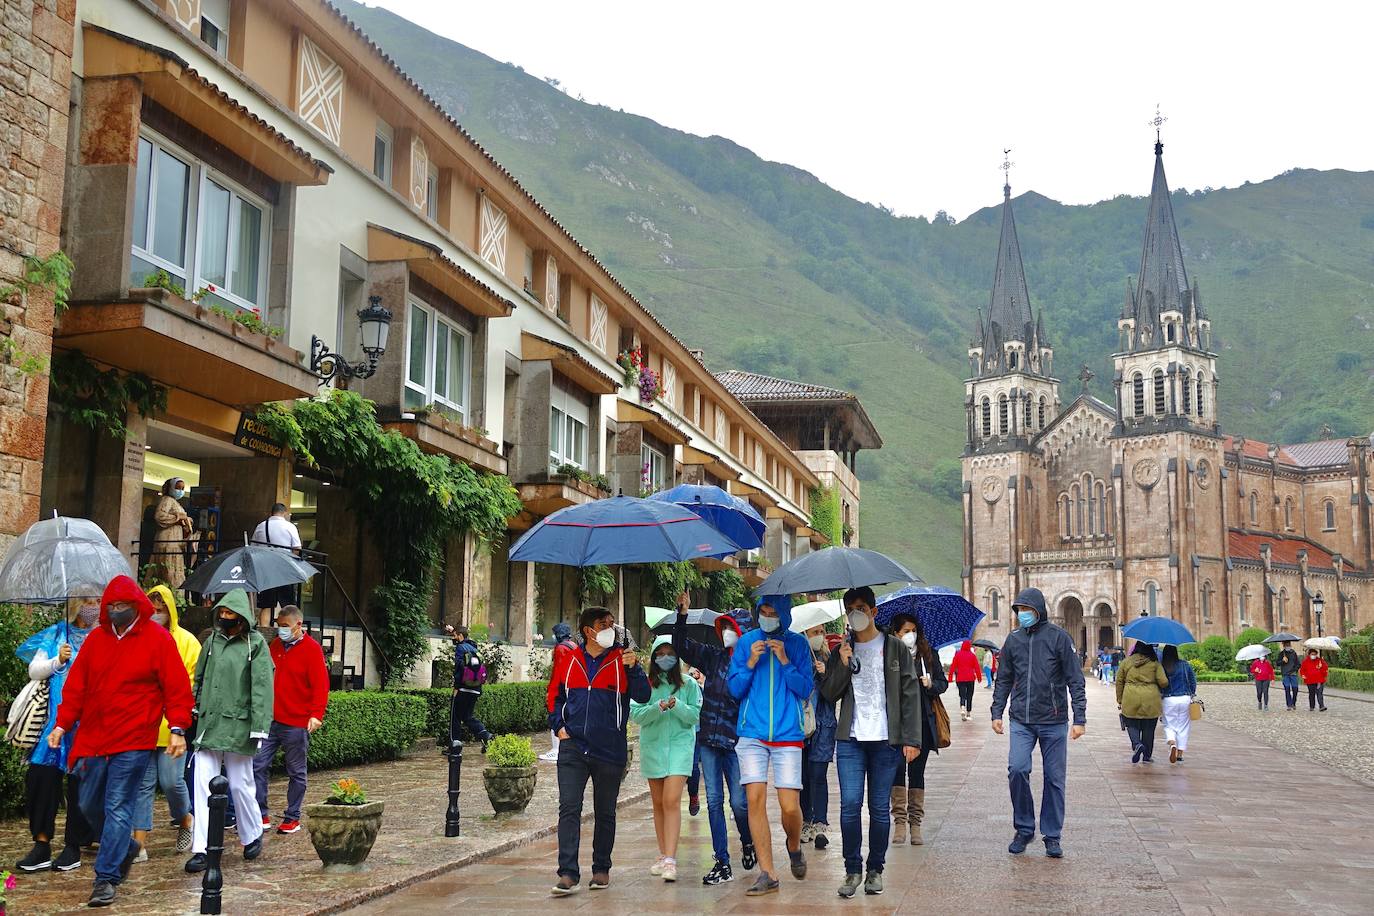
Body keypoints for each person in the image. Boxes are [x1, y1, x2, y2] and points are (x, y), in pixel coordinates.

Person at [50, 575, 193, 908]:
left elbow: (176, 688)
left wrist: (177, 728)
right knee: (87, 804)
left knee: (117, 806)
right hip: (94, 737)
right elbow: (76, 688)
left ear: (136, 606)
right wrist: (61, 725)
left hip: (134, 737)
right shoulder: (97, 640)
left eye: (122, 606)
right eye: (110, 606)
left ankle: (106, 878)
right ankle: (124, 847)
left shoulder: (157, 639)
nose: (115, 611)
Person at [820, 587, 921, 899]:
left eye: (861, 607)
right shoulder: (843, 649)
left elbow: (909, 694)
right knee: (850, 806)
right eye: (850, 608)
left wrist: (912, 738)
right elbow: (829, 693)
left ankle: (875, 868)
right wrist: (842, 662)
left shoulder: (895, 648)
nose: (856, 613)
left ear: (874, 612)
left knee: (879, 808)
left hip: (885, 743)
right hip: (850, 741)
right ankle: (852, 870)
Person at [549, 607, 650, 896]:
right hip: (573, 748)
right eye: (603, 624)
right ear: (588, 631)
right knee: (569, 808)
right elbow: (555, 695)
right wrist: (559, 727)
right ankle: (567, 873)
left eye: (612, 623)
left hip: (609, 748)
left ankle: (601, 868)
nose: (610, 628)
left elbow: (642, 695)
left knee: (605, 812)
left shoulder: (622, 659)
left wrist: (635, 668)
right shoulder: (569, 659)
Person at [990, 587, 1086, 860]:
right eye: (1019, 610)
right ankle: (1024, 828)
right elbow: (1004, 678)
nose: (1022, 615)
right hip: (1021, 718)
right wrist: (997, 711)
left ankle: (1052, 835)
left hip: (1053, 720)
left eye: (1027, 610)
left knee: (1054, 779)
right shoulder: (1013, 640)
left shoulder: (1058, 638)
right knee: (1017, 769)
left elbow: (1075, 679)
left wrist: (1080, 717)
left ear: (1038, 611)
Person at [727, 595, 813, 897]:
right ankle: (768, 872)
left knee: (790, 806)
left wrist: (785, 661)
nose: (766, 617)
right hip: (751, 733)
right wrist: (750, 661)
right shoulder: (746, 642)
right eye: (762, 612)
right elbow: (734, 689)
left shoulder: (798, 645)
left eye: (772, 613)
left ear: (784, 615)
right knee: (754, 799)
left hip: (788, 733)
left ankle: (793, 845)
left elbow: (805, 689)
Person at [184, 589, 273, 874]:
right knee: (202, 786)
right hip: (209, 725)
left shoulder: (256, 644)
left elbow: (262, 687)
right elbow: (201, 676)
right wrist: (195, 706)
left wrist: (260, 727)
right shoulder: (212, 642)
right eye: (221, 613)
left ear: (242, 616)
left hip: (239, 726)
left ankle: (251, 834)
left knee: (239, 784)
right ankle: (202, 848)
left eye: (229, 614)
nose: (224, 617)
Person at [673, 601, 758, 886]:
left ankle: (748, 842)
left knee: (739, 803)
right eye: (722, 629)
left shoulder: (752, 664)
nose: (725, 634)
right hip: (709, 739)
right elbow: (682, 646)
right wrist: (682, 615)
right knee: (714, 802)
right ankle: (722, 861)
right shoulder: (713, 657)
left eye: (730, 629)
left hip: (737, 744)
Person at [13, 599, 97, 873]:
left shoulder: (102, 636)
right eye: (87, 600)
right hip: (52, 723)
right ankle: (41, 845)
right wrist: (57, 660)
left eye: (97, 601)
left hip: (87, 724)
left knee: (79, 784)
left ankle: (73, 845)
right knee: (41, 779)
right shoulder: (56, 634)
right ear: (75, 603)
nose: (92, 606)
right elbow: (34, 670)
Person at [132, 586, 199, 858]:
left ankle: (185, 820)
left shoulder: (187, 642)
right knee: (142, 785)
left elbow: (190, 684)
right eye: (153, 610)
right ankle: (139, 843)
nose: (157, 614)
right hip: (143, 726)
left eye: (161, 610)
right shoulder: (139, 639)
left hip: (172, 727)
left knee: (172, 781)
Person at [630, 635, 702, 883]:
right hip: (654, 748)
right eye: (659, 654)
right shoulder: (645, 685)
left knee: (672, 800)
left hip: (681, 749)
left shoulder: (690, 684)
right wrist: (657, 707)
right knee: (659, 803)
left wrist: (677, 705)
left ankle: (671, 859)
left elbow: (694, 716)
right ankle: (663, 854)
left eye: (669, 652)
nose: (665, 658)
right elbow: (636, 715)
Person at [253, 605, 328, 835]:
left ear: (298, 625)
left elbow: (320, 685)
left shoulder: (312, 650)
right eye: (278, 625)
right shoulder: (275, 645)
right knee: (257, 765)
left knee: (296, 771)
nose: (280, 630)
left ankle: (292, 816)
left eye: (285, 626)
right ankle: (260, 813)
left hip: (296, 721)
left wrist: (316, 714)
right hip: (271, 719)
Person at [887, 612, 948, 846]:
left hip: (923, 722)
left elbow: (942, 683)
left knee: (917, 773)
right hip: (897, 724)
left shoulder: (928, 654)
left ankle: (916, 823)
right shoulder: (890, 655)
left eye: (913, 630)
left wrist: (930, 683)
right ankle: (900, 822)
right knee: (896, 771)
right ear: (896, 633)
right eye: (905, 631)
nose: (910, 635)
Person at [799, 623, 838, 851]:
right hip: (802, 728)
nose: (819, 636)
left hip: (823, 726)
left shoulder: (829, 659)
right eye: (814, 632)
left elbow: (834, 693)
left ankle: (821, 823)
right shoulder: (799, 659)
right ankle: (806, 821)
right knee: (803, 778)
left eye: (821, 632)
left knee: (818, 775)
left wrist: (825, 675)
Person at [444, 624, 494, 753]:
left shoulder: (460, 648)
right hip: (476, 688)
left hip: (463, 689)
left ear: (460, 636)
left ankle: (454, 746)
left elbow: (459, 669)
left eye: (454, 636)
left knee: (455, 716)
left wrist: (457, 687)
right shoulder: (474, 647)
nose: (454, 638)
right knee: (467, 716)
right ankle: (486, 736)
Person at [250, 503, 303, 625]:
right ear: (285, 513)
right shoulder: (290, 527)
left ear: (271, 513)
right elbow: (297, 548)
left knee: (266, 605)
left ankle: (264, 630)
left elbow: (253, 548)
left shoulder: (261, 526)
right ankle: (290, 630)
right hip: (284, 568)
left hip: (266, 569)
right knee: (288, 604)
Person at [1116, 642, 1168, 764]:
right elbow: (1163, 682)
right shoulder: (1154, 663)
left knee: (1131, 723)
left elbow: (1119, 681)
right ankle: (1147, 756)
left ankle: (1137, 744)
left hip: (1130, 696)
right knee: (1149, 728)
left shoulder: (1126, 662)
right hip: (1151, 697)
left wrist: (1119, 699)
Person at [540, 621, 575, 761]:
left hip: (560, 688)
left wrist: (551, 691)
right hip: (572, 687)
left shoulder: (561, 648)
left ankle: (556, 749)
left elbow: (558, 672)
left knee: (555, 716)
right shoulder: (573, 646)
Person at [153, 478, 196, 589]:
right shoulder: (166, 500)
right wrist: (178, 518)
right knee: (169, 572)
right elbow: (159, 516)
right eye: (178, 488)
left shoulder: (175, 503)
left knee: (174, 571)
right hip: (168, 541)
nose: (180, 491)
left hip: (175, 542)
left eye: (182, 488)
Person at [1159, 646, 1197, 764]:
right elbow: (1192, 681)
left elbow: (1160, 683)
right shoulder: (1185, 665)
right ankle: (1180, 755)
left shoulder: (1162, 667)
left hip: (1169, 699)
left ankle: (1172, 743)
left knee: (1169, 724)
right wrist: (1191, 694)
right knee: (1183, 727)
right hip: (1185, 698)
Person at [948, 639, 981, 722]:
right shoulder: (972, 656)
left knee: (962, 694)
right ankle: (968, 712)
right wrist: (979, 677)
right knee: (970, 695)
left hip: (960, 678)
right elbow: (977, 667)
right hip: (970, 678)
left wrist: (950, 677)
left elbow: (952, 667)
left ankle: (962, 707)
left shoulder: (958, 655)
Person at [1277, 641, 1302, 711]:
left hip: (1293, 674)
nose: (1287, 646)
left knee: (1295, 689)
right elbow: (1277, 663)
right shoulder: (1281, 654)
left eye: (1288, 644)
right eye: (1286, 644)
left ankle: (1293, 702)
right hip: (1285, 674)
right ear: (1283, 645)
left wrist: (1295, 669)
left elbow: (1298, 664)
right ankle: (1289, 704)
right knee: (1287, 689)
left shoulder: (1294, 653)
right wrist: (1282, 661)